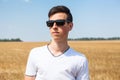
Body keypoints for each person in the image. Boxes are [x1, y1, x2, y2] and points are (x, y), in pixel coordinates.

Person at [25, 5, 89, 80]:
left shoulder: (80, 60)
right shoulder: (35, 53)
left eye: (59, 22)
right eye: (50, 23)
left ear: (70, 26)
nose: (54, 26)